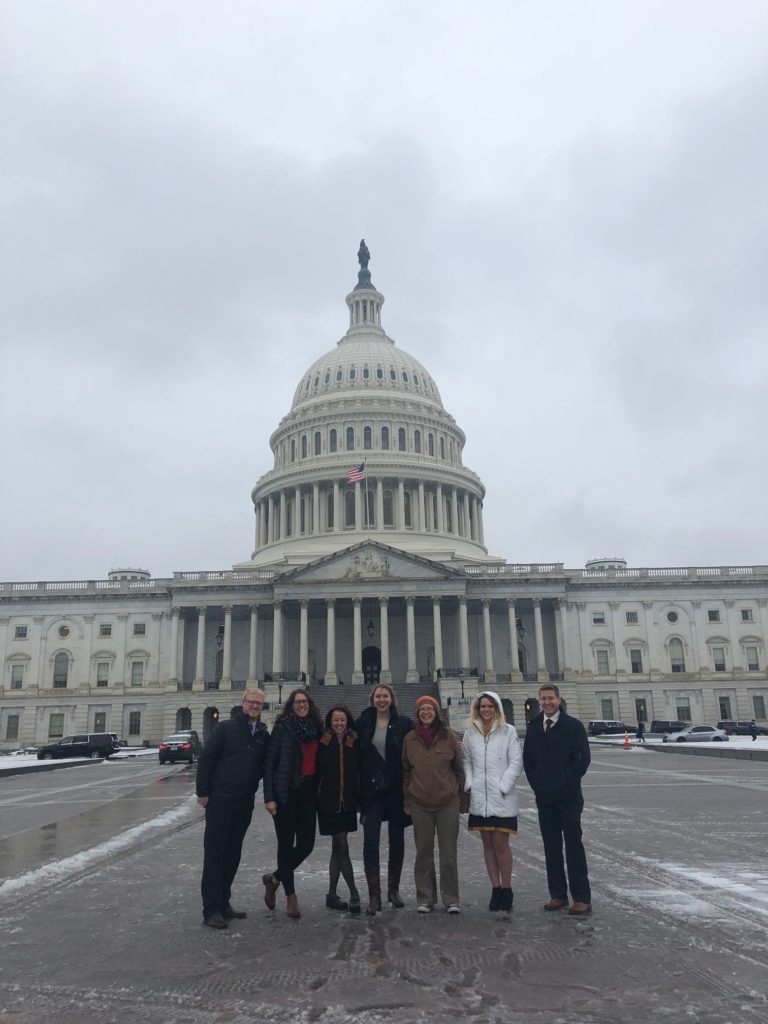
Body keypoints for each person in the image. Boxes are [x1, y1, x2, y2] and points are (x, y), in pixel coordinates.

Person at [196, 689, 269, 929]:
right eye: (251, 702)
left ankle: (223, 901)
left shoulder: (262, 735)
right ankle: (211, 909)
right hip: (220, 799)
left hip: (243, 801)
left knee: (232, 854)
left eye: (259, 703)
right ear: (243, 703)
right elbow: (207, 758)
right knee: (215, 854)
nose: (255, 706)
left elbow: (265, 767)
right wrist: (203, 793)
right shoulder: (226, 728)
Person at [523, 684, 592, 916]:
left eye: (550, 698)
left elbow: (581, 760)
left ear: (558, 699)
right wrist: (539, 786)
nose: (546, 702)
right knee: (551, 848)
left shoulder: (573, 726)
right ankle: (558, 894)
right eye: (543, 699)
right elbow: (528, 761)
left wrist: (564, 782)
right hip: (545, 798)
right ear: (538, 701)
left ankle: (581, 897)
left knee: (574, 846)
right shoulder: (533, 727)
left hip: (569, 797)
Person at [262, 688, 324, 919]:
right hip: (285, 793)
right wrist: (269, 797)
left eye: (304, 701)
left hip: (308, 792)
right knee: (286, 845)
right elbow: (269, 765)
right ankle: (291, 896)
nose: (301, 705)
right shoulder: (282, 728)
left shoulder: (316, 728)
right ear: (291, 705)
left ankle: (275, 879)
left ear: (309, 704)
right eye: (297, 702)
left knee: (306, 844)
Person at [402, 695, 466, 914]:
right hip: (420, 803)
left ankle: (451, 898)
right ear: (418, 713)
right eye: (422, 709)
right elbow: (405, 770)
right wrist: (408, 796)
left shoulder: (449, 737)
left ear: (436, 712)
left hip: (447, 803)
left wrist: (455, 791)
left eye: (430, 709)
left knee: (448, 853)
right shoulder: (410, 739)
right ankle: (425, 897)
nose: (426, 712)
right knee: (423, 852)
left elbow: (459, 769)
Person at [461, 691, 523, 912]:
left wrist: (503, 785)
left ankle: (507, 888)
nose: (486, 710)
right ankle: (495, 888)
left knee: (501, 844)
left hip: (501, 797)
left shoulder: (509, 731)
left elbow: (516, 762)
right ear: (477, 709)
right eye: (482, 707)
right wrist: (470, 782)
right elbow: (465, 759)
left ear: (497, 708)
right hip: (480, 797)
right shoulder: (470, 732)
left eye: (490, 706)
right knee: (487, 844)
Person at [355, 683, 413, 915]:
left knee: (396, 839)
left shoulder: (403, 723)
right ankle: (374, 896)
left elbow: (416, 748)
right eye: (378, 696)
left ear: (392, 699)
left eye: (385, 696)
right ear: (372, 699)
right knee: (371, 839)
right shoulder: (362, 723)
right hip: (371, 790)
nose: (381, 700)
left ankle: (393, 891)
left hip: (395, 788)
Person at [316, 703, 362, 913]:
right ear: (330, 721)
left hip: (348, 802)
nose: (339, 723)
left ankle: (331, 895)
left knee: (337, 849)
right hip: (328, 803)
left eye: (342, 719)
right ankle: (354, 893)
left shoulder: (354, 741)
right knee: (342, 846)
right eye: (336, 720)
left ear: (348, 721)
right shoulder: (323, 741)